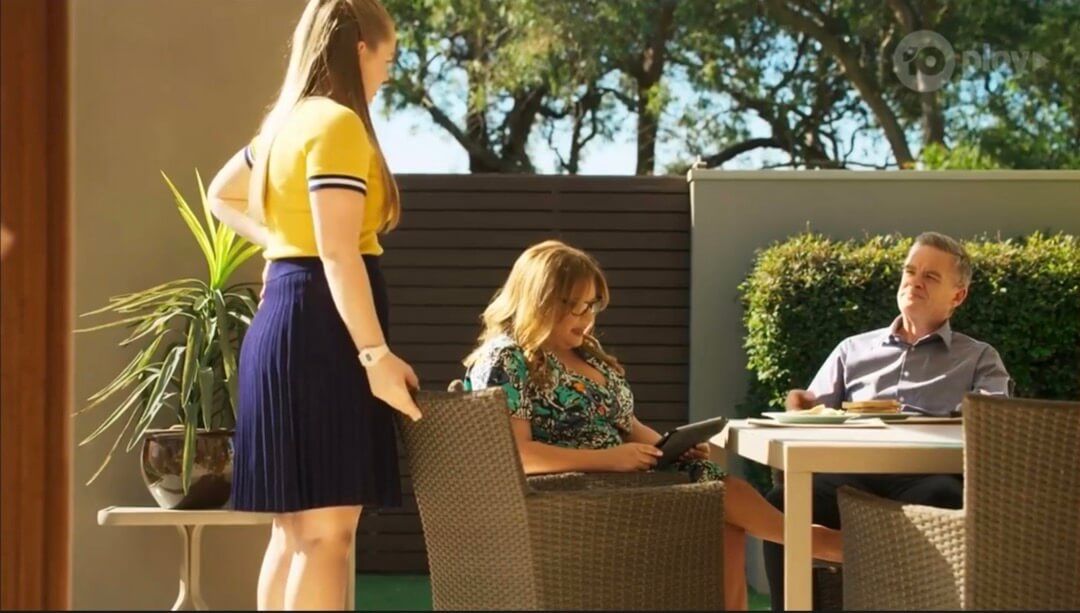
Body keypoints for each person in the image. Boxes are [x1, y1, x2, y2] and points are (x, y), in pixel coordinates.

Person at [463, 240, 843, 611]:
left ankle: (811, 543)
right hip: (573, 500)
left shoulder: (584, 353)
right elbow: (516, 456)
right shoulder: (507, 359)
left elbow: (627, 425)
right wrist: (612, 459)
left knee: (717, 495)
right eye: (576, 306)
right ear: (542, 300)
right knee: (717, 496)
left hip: (620, 483)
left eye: (592, 305)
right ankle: (821, 543)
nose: (587, 318)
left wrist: (670, 446)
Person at [206, 1, 421, 609]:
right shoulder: (338, 124)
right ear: (359, 50)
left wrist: (278, 244)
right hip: (324, 331)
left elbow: (221, 195)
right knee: (327, 534)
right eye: (388, 60)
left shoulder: (283, 126)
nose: (387, 75)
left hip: (282, 323)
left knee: (295, 531)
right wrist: (375, 356)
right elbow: (338, 252)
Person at [763, 231, 1011, 611]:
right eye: (911, 271)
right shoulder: (852, 350)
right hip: (850, 477)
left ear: (958, 296)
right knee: (781, 504)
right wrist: (800, 406)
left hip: (927, 480)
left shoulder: (979, 358)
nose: (915, 281)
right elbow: (810, 412)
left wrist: (968, 414)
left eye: (931, 276)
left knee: (946, 499)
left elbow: (996, 420)